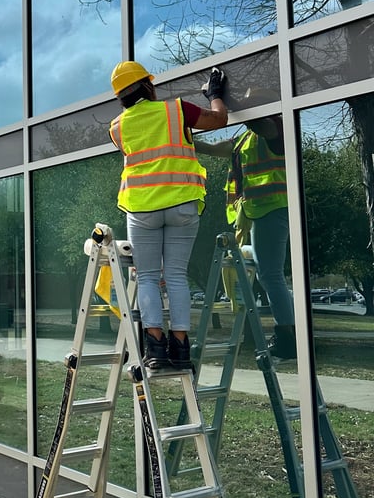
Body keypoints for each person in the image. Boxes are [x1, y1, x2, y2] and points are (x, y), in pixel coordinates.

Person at [109, 61, 229, 371]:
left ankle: (156, 349)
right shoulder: (177, 110)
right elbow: (219, 119)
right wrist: (214, 93)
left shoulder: (117, 128)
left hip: (141, 209)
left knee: (147, 277)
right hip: (182, 204)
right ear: (148, 86)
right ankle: (180, 347)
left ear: (120, 97)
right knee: (176, 276)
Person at [196, 114, 296, 360]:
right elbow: (218, 148)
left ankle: (288, 336)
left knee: (270, 274)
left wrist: (242, 109)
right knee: (266, 273)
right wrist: (187, 139)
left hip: (273, 207)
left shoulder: (275, 130)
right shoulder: (245, 140)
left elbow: (263, 125)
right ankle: (288, 333)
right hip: (257, 212)